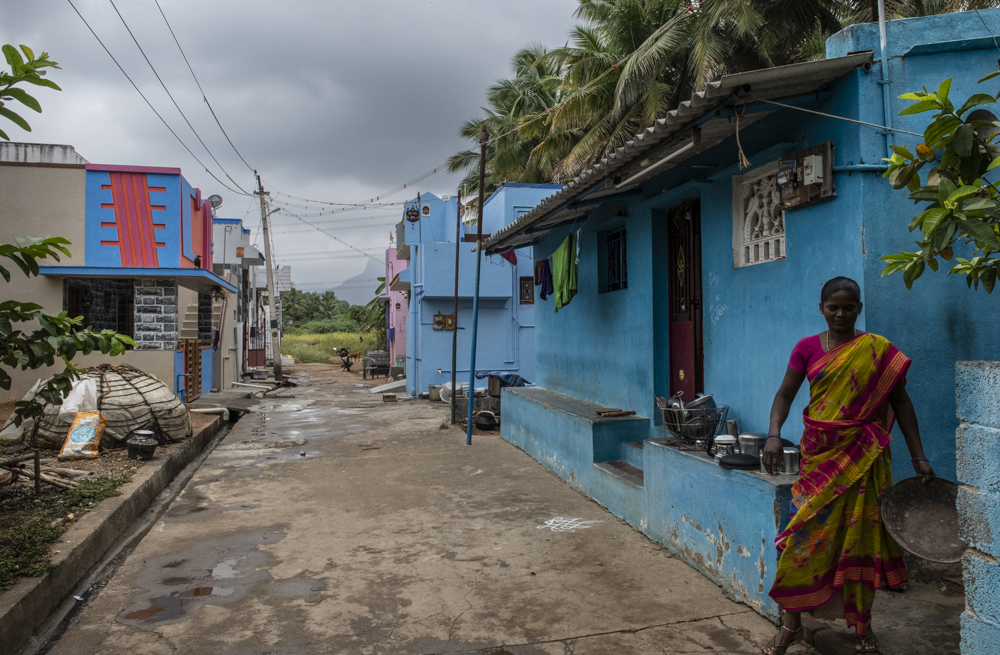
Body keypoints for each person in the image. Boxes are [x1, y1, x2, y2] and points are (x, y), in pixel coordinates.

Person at [761, 277, 934, 655]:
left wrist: (919, 456)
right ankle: (790, 624)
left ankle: (863, 627)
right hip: (820, 461)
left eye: (849, 307)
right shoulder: (806, 348)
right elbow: (784, 394)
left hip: (863, 459)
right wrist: (773, 433)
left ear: (858, 308)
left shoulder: (877, 350)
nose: (840, 314)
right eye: (833, 307)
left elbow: (901, 404)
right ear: (821, 309)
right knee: (800, 541)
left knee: (861, 542)